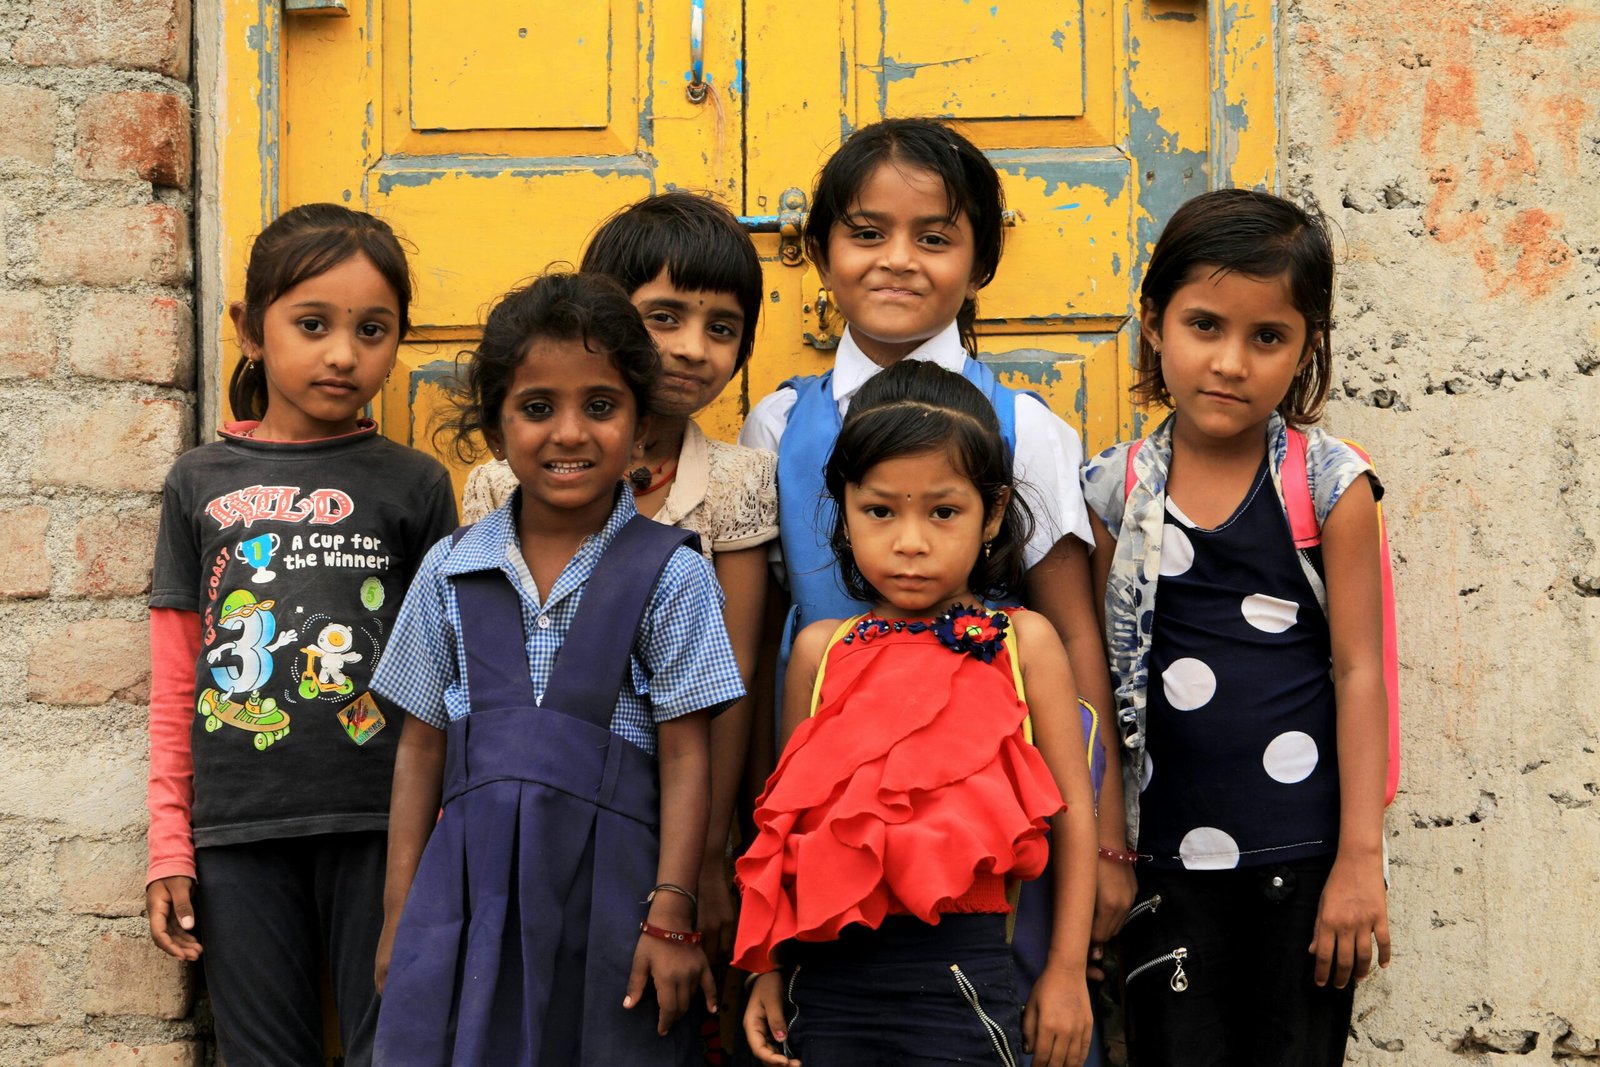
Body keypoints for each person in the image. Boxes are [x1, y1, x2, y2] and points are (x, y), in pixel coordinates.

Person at [737, 115, 1131, 1027]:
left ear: (981, 261)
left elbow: (1073, 633)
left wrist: (1107, 839)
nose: (897, 260)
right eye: (867, 233)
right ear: (821, 251)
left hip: (990, 827)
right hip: (831, 815)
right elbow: (763, 641)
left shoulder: (1023, 427)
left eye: (935, 236)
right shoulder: (777, 425)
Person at [371, 271, 748, 1065]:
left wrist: (672, 913)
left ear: (642, 423)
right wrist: (401, 917)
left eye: (600, 407)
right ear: (496, 425)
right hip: (468, 898)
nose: (569, 433)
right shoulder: (450, 570)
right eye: (537, 407)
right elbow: (419, 748)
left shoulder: (671, 572)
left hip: (619, 897)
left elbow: (688, 754)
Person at [1079, 188, 1391, 1065]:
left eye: (1267, 337)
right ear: (1154, 324)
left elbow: (1359, 672)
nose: (1231, 361)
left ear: (1304, 348)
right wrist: (1106, 850)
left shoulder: (1332, 487)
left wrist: (1360, 861)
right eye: (1205, 325)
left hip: (1299, 863)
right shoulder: (1115, 490)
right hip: (1161, 868)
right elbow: (1096, 679)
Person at [144, 203, 458, 1065]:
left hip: (384, 824)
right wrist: (170, 840)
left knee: (392, 1043)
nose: (343, 353)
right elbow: (177, 679)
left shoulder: (415, 485)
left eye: (372, 329)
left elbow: (448, 671)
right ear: (250, 330)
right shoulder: (198, 482)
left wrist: (443, 830)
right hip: (239, 831)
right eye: (312, 324)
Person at [735, 360, 1098, 1067]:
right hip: (828, 983)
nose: (910, 541)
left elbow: (1074, 816)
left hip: (963, 978)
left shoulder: (1024, 643)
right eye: (880, 510)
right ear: (843, 506)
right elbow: (784, 830)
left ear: (991, 513)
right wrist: (766, 967)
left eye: (943, 511)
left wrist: (1066, 970)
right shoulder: (819, 651)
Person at [460, 192, 777, 963]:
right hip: (525, 802)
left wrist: (705, 852)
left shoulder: (738, 482)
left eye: (722, 328)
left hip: (669, 812)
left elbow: (729, 684)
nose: (694, 348)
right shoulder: (499, 485)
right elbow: (476, 671)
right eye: (663, 316)